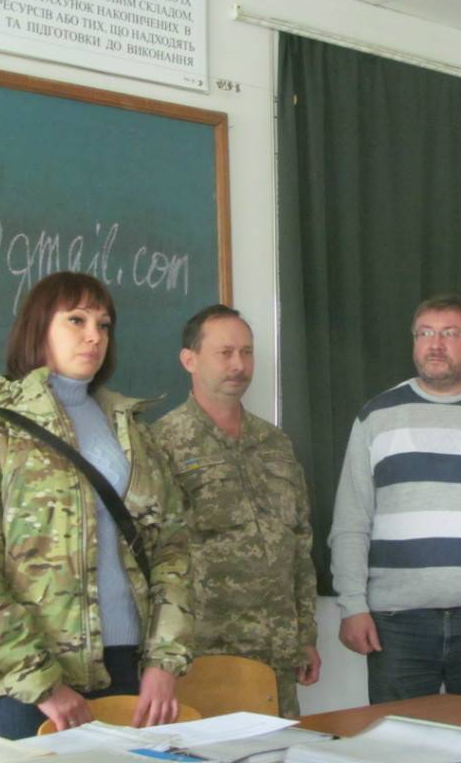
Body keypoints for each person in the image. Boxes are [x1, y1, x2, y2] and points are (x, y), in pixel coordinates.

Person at [0, 272, 193, 741]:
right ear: (38, 327)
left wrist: (164, 660)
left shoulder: (131, 430)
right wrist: (40, 681)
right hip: (20, 682)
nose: (94, 335)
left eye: (104, 324)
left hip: (126, 664)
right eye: (76, 320)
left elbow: (172, 547)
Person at [329, 293, 461, 704]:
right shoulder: (376, 417)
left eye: (450, 334)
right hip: (396, 622)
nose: (435, 344)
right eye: (425, 333)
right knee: (399, 738)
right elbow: (351, 522)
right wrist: (352, 605)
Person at [154, 304, 320, 718]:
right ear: (189, 359)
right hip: (204, 654)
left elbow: (299, 543)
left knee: (280, 747)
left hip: (277, 653)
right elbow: (149, 557)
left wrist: (305, 634)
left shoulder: (275, 443)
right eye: (225, 353)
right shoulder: (161, 443)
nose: (239, 365)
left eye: (246, 352)